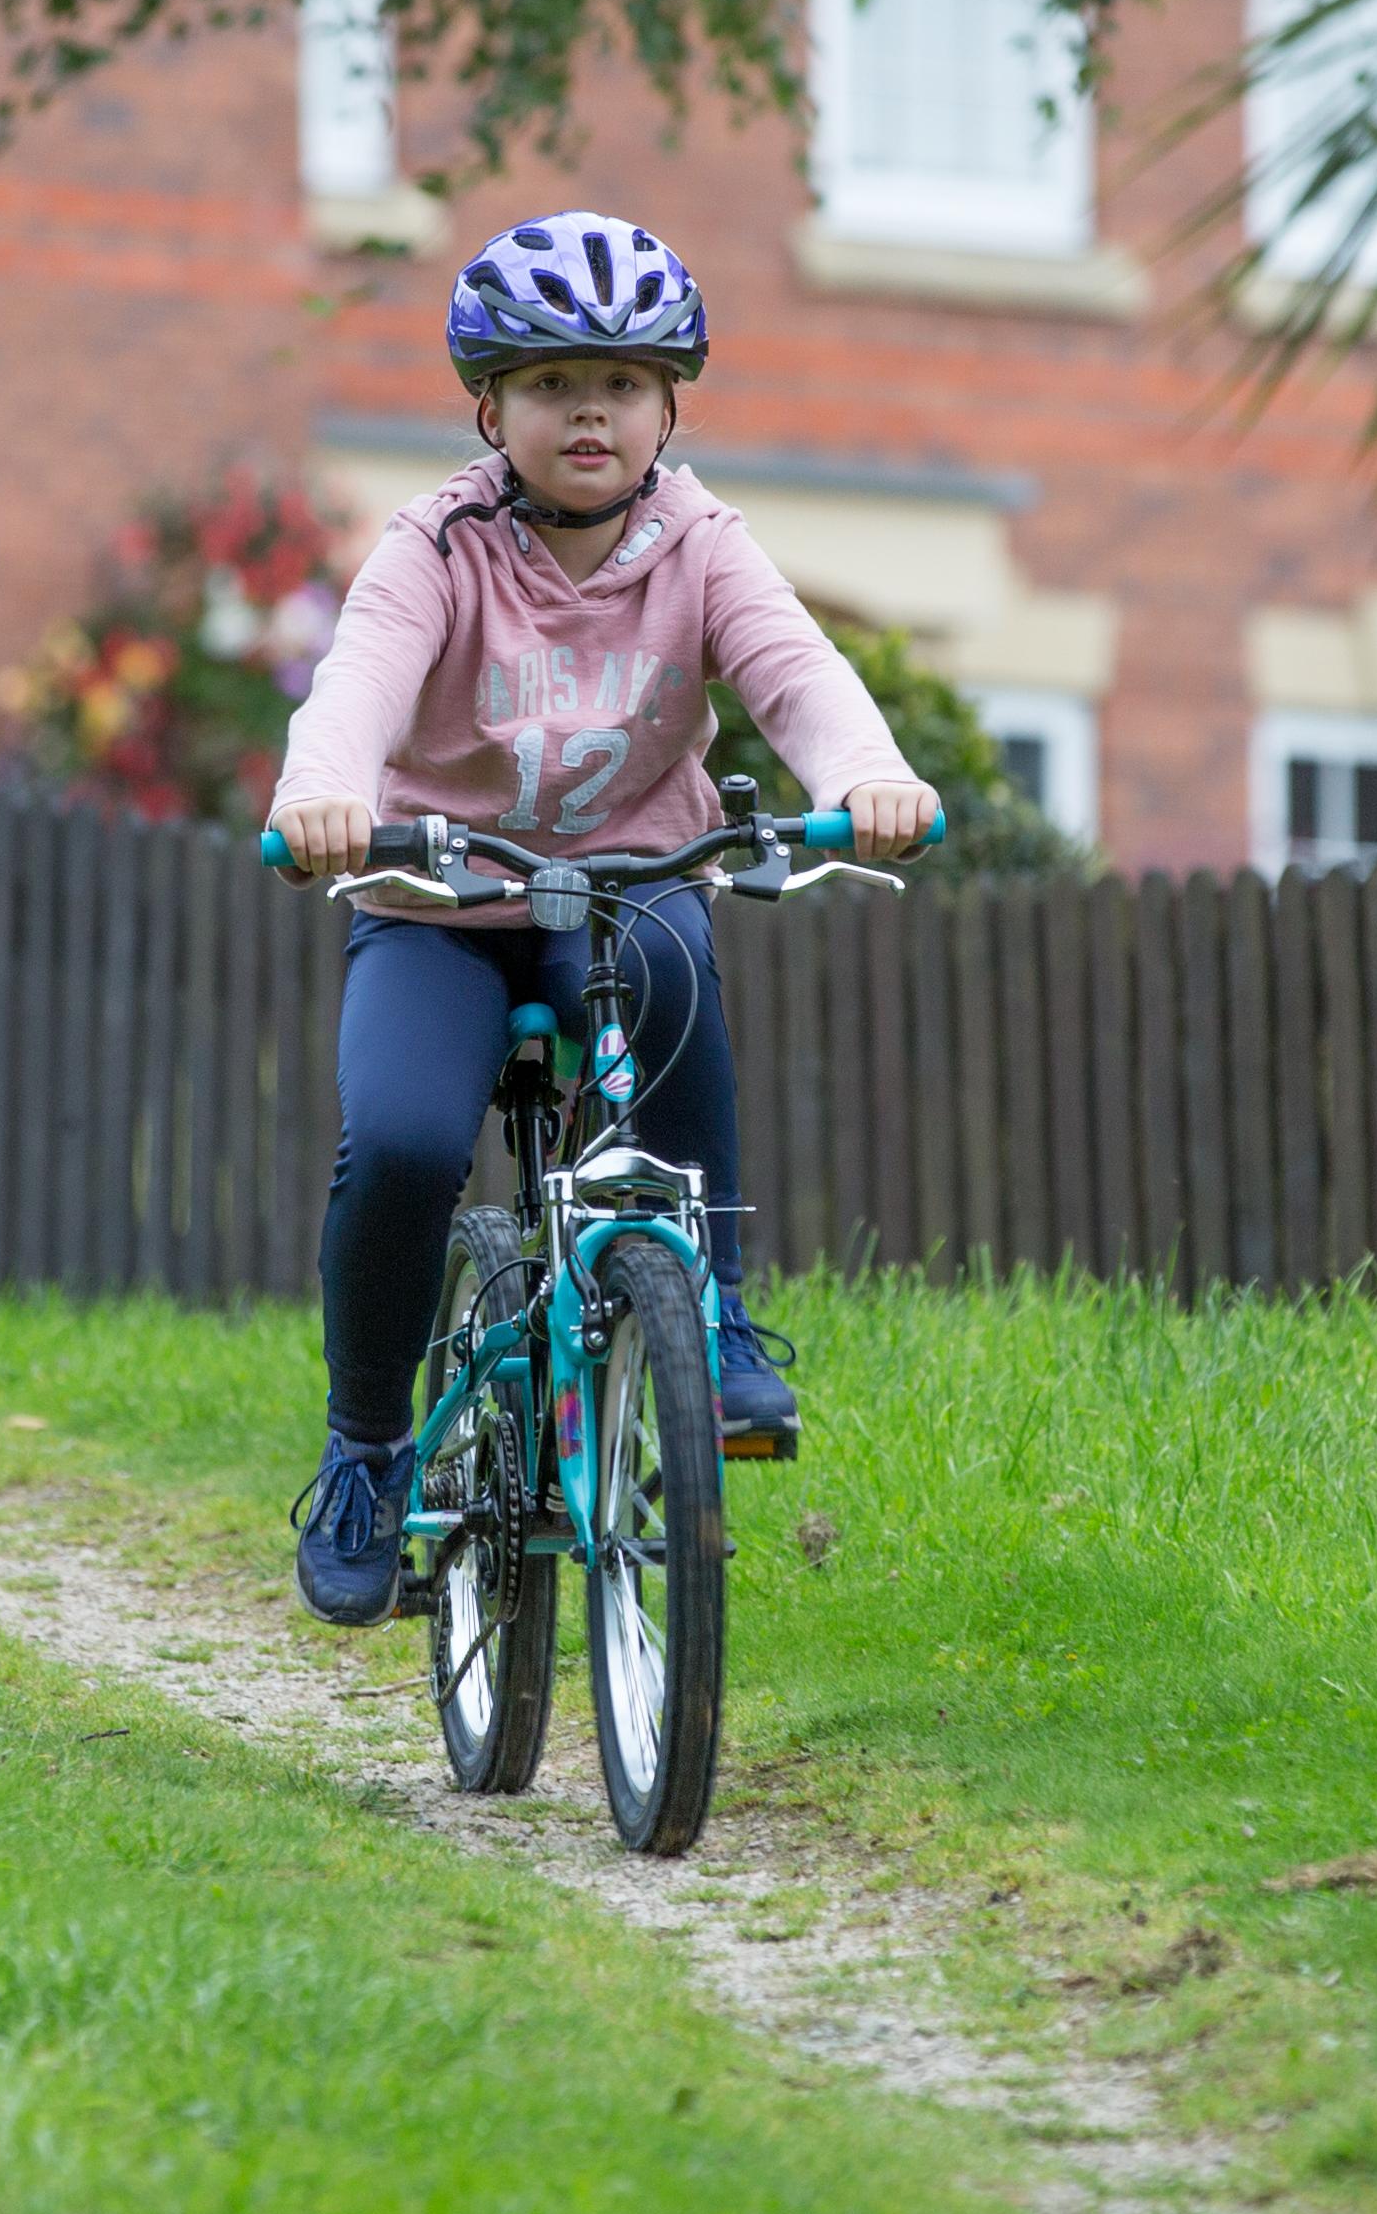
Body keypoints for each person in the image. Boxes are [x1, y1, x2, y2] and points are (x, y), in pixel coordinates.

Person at [263, 210, 937, 1629]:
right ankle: (370, 1450)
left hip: (624, 891)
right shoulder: (438, 544)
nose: (591, 410)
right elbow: (359, 687)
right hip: (439, 901)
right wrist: (325, 795)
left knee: (680, 959)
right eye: (554, 381)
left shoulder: (702, 542)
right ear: (490, 405)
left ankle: (717, 1308)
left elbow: (796, 673)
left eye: (623, 383)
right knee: (397, 1144)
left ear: (669, 408)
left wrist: (865, 776)